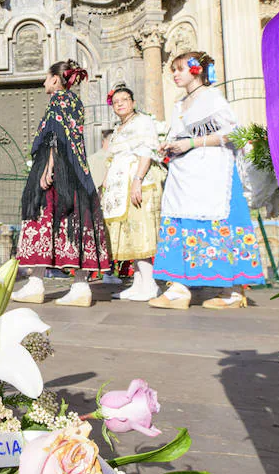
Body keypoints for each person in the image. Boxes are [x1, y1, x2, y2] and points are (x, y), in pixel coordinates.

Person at [149, 51, 263, 310]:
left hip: (212, 171)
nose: (175, 75)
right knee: (179, 221)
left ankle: (232, 290)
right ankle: (178, 288)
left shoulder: (212, 98)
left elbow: (233, 134)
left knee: (219, 222)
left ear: (195, 70)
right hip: (185, 175)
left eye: (179, 69)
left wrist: (191, 142)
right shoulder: (180, 104)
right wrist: (171, 146)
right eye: (173, 71)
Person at [14, 60, 109, 308]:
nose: (44, 82)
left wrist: (48, 168)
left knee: (41, 219)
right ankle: (80, 286)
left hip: (59, 171)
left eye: (47, 77)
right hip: (78, 170)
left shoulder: (58, 100)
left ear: (56, 79)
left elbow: (56, 136)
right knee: (75, 221)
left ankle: (36, 284)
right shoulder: (76, 102)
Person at [101, 84, 165, 301]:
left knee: (141, 230)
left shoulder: (143, 121)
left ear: (133, 102)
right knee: (129, 233)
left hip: (138, 181)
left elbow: (146, 150)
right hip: (121, 186)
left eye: (124, 100)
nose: (119, 104)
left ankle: (150, 283)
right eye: (116, 101)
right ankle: (139, 282)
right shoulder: (118, 128)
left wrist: (137, 180)